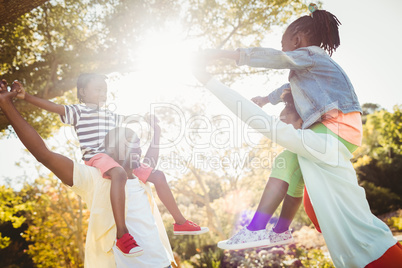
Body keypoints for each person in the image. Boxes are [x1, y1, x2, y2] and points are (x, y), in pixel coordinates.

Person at [192, 58, 402, 267]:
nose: (282, 124)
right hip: (362, 258)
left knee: (285, 157)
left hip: (376, 256)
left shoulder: (320, 145)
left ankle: (255, 228)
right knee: (286, 159)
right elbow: (291, 181)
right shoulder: (306, 162)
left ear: (304, 120)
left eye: (286, 120)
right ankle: (275, 230)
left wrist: (209, 81)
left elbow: (258, 119)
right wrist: (281, 231)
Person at [202, 3, 363, 250]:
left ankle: (255, 229)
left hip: (335, 128)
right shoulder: (314, 67)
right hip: (345, 131)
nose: (283, 50)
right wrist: (267, 98)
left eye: (284, 44)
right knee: (295, 171)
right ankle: (281, 231)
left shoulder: (310, 56)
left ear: (297, 40)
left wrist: (224, 55)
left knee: (284, 162)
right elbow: (288, 89)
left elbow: (277, 59)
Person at [12, 74, 208, 256]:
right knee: (119, 174)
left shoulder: (109, 115)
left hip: (115, 157)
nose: (102, 94)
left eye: (104, 90)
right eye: (97, 89)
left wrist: (147, 121)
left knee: (158, 176)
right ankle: (122, 234)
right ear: (82, 92)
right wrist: (25, 96)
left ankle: (180, 222)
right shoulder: (79, 111)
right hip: (97, 156)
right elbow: (53, 106)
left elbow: (128, 120)